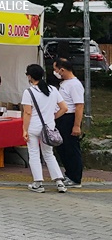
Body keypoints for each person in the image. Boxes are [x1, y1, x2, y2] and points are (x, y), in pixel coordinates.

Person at [22, 63, 69, 193]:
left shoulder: (28, 92)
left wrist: (24, 130)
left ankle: (38, 183)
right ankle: (59, 182)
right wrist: (53, 117)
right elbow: (64, 108)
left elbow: (27, 113)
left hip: (33, 127)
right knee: (49, 154)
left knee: (34, 154)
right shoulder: (53, 90)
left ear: (30, 76)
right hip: (49, 127)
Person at [53, 58, 85, 187]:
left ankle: (75, 177)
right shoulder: (64, 83)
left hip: (69, 118)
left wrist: (76, 125)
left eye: (56, 70)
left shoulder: (75, 84)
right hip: (61, 118)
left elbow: (79, 106)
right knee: (62, 148)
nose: (55, 72)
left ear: (62, 69)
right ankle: (69, 173)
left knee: (71, 148)